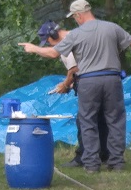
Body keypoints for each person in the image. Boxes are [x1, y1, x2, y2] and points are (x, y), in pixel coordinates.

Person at [19, 0, 131, 173]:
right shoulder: (112, 27)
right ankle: (116, 162)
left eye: (74, 17)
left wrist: (33, 48)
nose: (75, 20)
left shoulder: (75, 35)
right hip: (112, 79)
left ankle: (92, 164)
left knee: (88, 122)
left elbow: (53, 52)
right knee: (115, 121)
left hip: (88, 81)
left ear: (78, 15)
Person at [38, 19, 107, 168]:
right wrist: (69, 83)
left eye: (48, 41)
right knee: (101, 119)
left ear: (53, 35)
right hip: (102, 81)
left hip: (88, 84)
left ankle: (83, 157)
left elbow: (74, 70)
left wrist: (65, 84)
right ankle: (104, 154)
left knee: (84, 121)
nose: (49, 45)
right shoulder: (77, 37)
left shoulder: (66, 45)